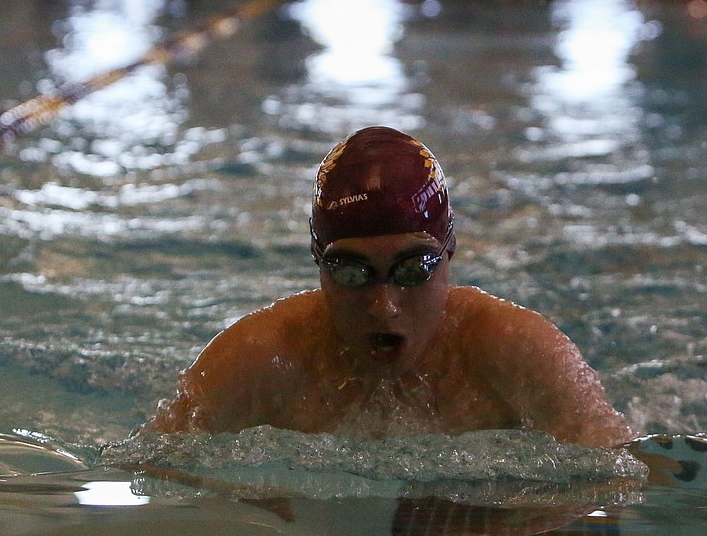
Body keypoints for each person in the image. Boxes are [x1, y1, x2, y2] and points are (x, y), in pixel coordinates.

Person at [146, 126, 633, 447]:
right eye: (352, 273)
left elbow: (618, 476)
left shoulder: (517, 350)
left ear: (449, 254)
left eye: (413, 270)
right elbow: (150, 469)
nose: (384, 306)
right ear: (318, 266)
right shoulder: (257, 359)